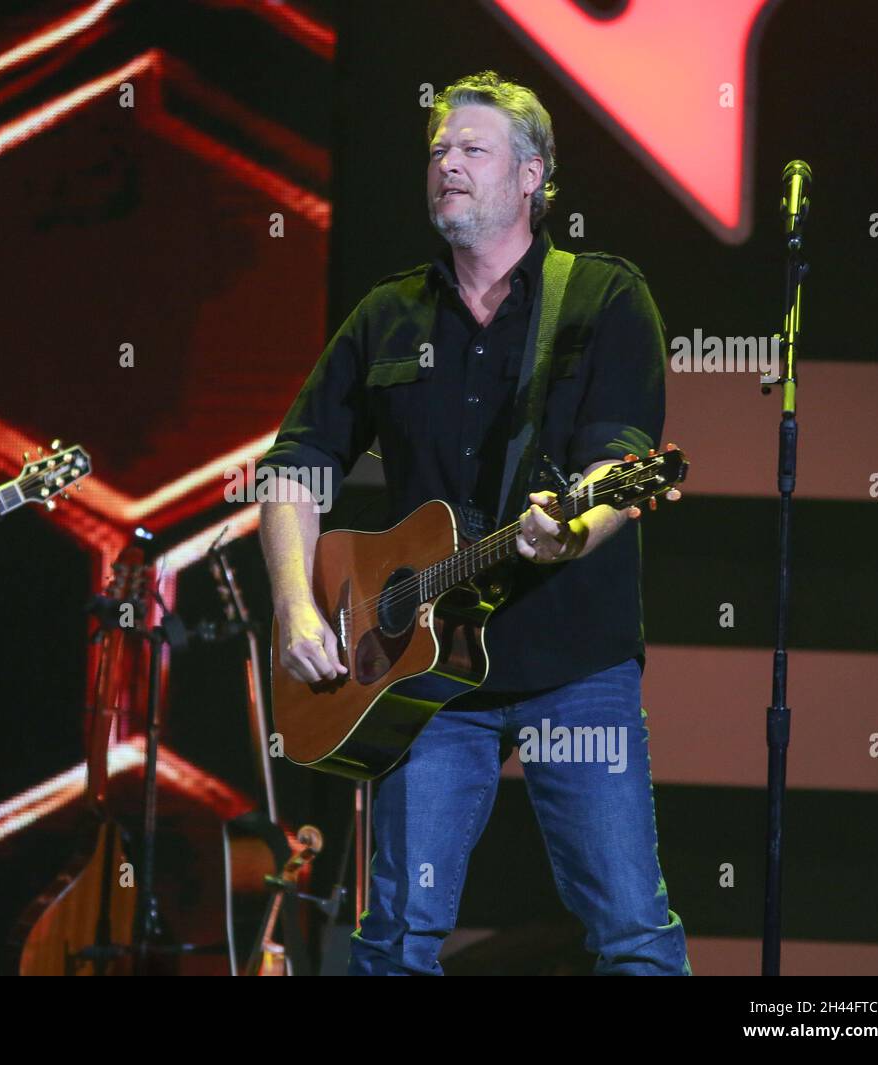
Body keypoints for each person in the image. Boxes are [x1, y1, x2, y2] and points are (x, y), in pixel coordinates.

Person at [257, 72, 690, 975]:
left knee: (632, 933)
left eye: (472, 150)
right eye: (438, 151)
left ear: (531, 174)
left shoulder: (605, 299)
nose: (446, 164)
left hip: (573, 665)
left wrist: (569, 530)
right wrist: (297, 606)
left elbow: (620, 461)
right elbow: (296, 465)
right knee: (394, 940)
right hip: (422, 681)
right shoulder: (387, 314)